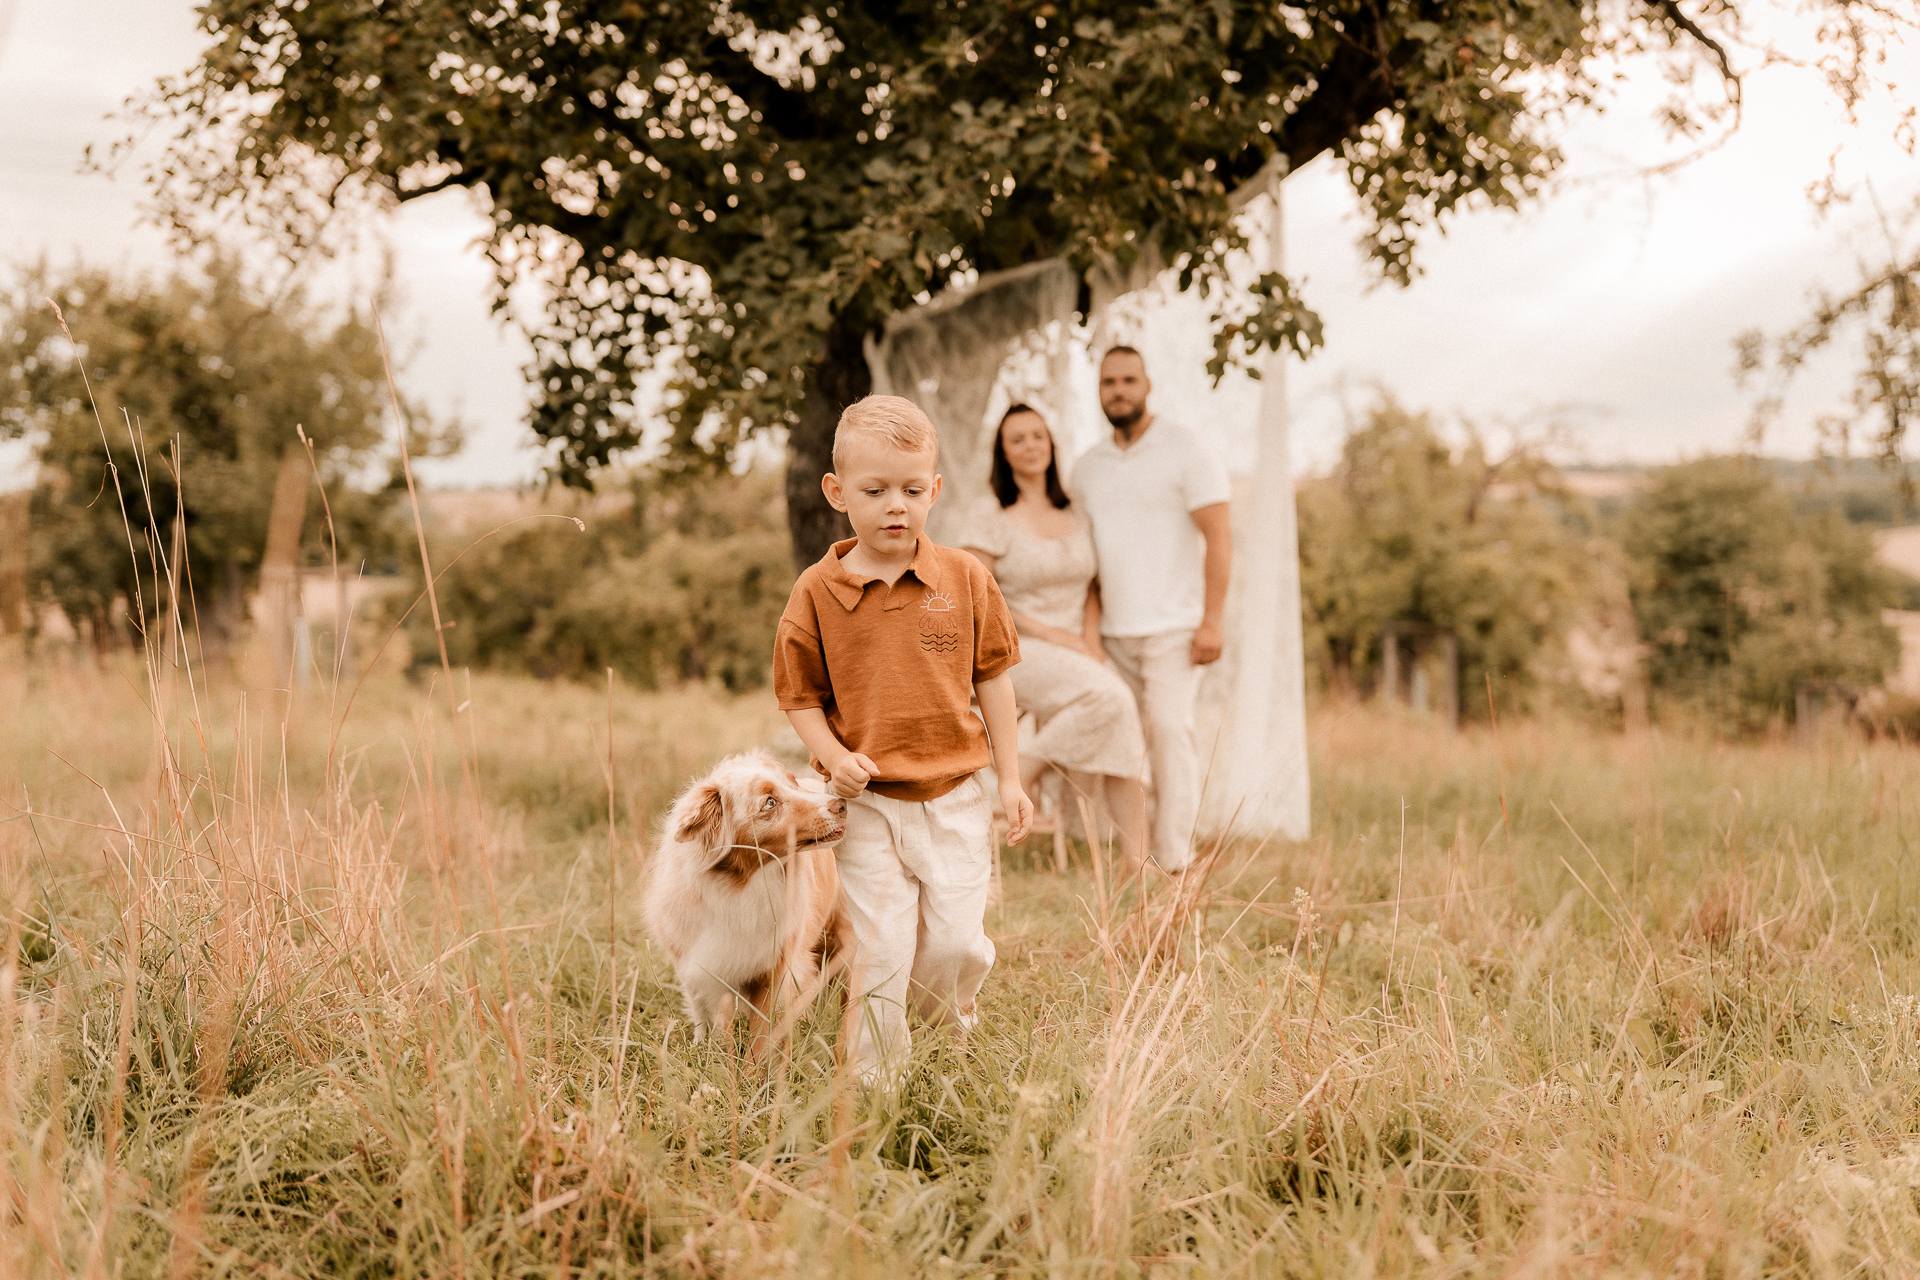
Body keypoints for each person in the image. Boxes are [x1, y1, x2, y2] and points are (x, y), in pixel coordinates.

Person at [773, 394, 1034, 1085]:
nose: (897, 506)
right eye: (876, 491)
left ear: (935, 490)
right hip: (867, 805)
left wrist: (1010, 780)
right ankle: (876, 1081)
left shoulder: (965, 578)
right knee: (882, 947)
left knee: (955, 944)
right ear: (837, 493)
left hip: (955, 796)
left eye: (913, 491)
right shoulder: (816, 592)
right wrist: (834, 759)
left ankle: (947, 1042)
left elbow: (994, 679)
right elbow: (799, 697)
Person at [958, 404, 1151, 866]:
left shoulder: (1075, 508)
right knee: (1113, 699)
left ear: (1051, 444)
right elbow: (979, 596)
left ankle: (1138, 862)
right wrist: (1054, 636)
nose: (1030, 446)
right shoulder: (991, 513)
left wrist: (1090, 640)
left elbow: (1091, 587)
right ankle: (1017, 774)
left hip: (1078, 648)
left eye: (1038, 436)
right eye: (1017, 439)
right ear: (1003, 453)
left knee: (1121, 715)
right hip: (1013, 649)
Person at [1071, 346, 1233, 873]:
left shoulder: (1186, 449)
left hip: (1175, 629)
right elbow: (1082, 560)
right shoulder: (1087, 468)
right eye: (1108, 382)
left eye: (1128, 380)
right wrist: (1089, 633)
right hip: (1112, 633)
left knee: (1169, 732)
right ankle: (1135, 856)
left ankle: (1176, 858)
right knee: (1123, 744)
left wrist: (1212, 621)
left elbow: (1220, 536)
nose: (1118, 391)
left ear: (1147, 385)